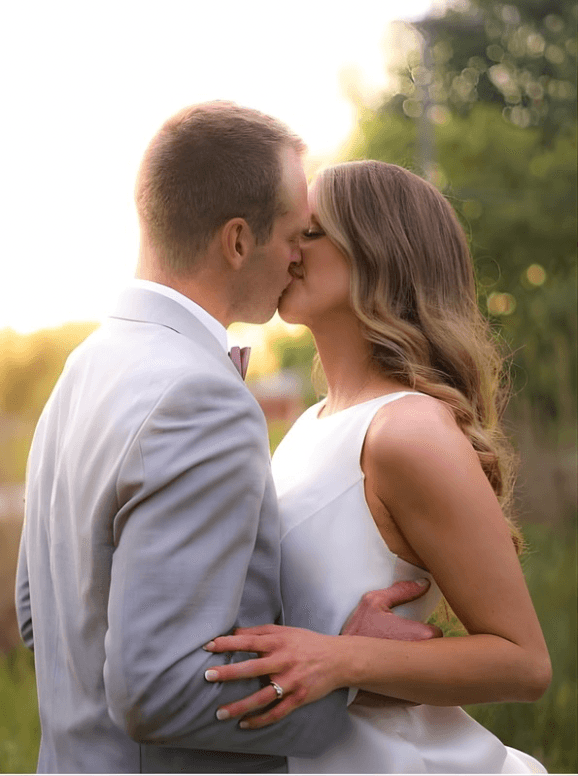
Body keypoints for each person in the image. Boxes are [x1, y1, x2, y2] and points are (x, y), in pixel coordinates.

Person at [15, 105, 438, 774]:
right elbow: (158, 694)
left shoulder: (84, 368)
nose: (301, 256)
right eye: (297, 235)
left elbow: (38, 615)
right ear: (239, 241)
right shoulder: (201, 396)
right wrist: (342, 665)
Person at [201, 160, 552, 773]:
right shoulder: (305, 427)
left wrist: (344, 660)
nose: (287, 248)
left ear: (378, 253)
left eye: (310, 232)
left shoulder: (406, 430)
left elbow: (524, 662)